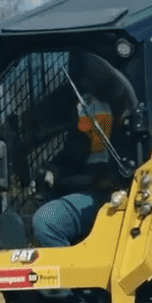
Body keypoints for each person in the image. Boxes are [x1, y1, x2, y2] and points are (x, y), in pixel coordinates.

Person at [31, 94, 120, 247]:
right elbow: (69, 157)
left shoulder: (127, 117)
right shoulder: (82, 127)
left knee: (45, 222)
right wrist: (52, 171)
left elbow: (109, 176)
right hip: (80, 192)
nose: (81, 107)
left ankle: (68, 269)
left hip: (109, 196)